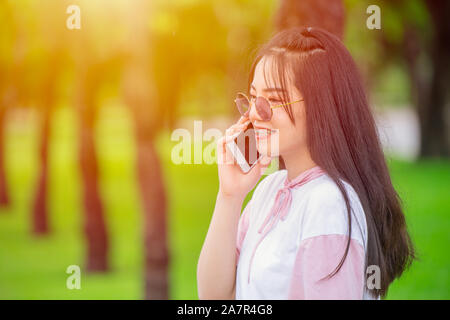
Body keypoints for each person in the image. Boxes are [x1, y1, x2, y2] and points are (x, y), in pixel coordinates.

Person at [197, 27, 415, 300]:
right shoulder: (271, 189)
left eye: (273, 100)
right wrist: (229, 196)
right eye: (253, 98)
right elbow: (214, 297)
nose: (254, 113)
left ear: (320, 106)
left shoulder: (328, 205)